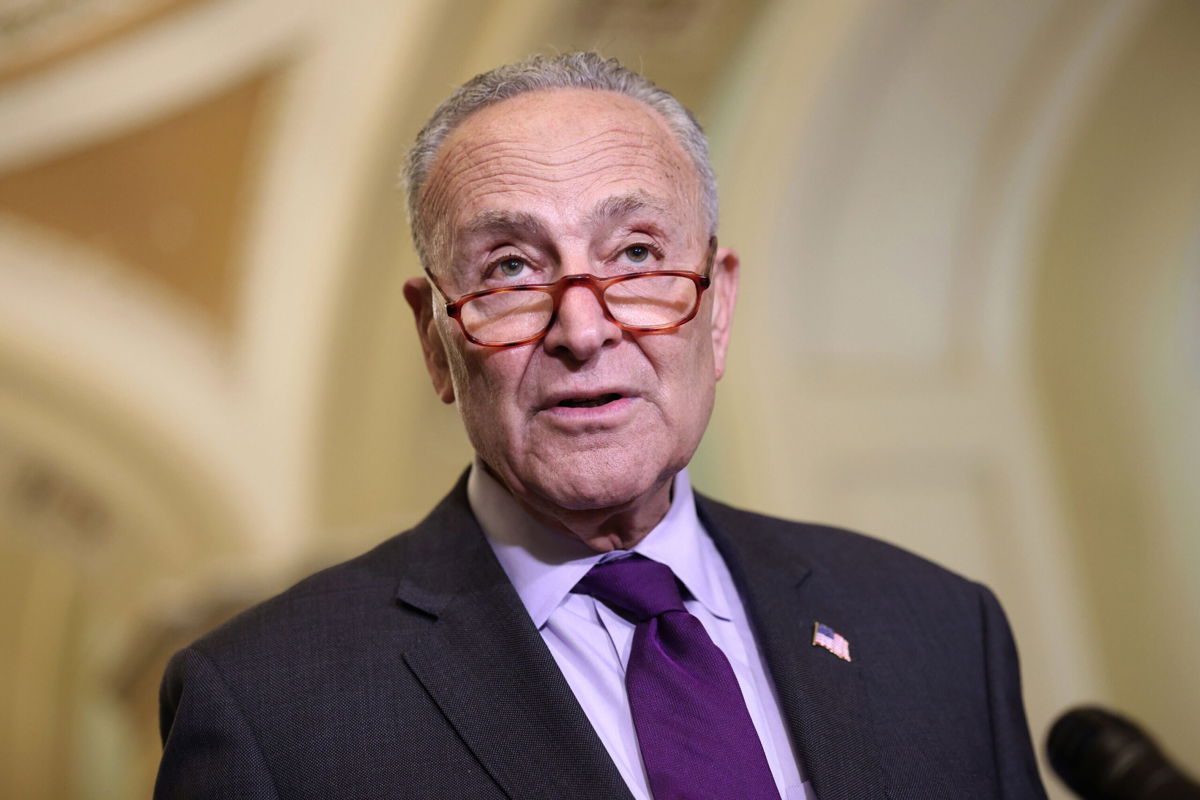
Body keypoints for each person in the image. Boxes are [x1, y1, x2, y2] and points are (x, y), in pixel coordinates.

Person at [155, 52, 1048, 800]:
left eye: (636, 255)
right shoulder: (270, 706)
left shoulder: (935, 629)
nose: (584, 329)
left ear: (718, 307)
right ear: (436, 340)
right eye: (509, 269)